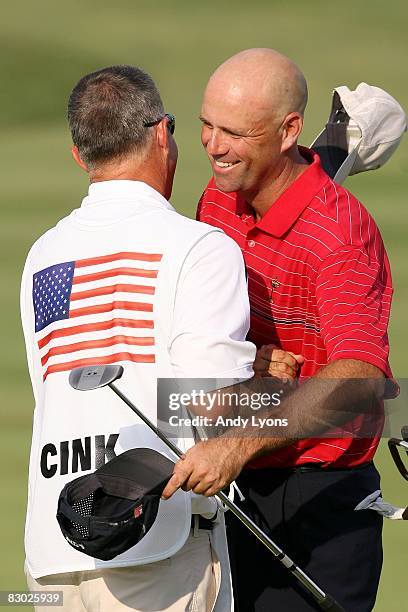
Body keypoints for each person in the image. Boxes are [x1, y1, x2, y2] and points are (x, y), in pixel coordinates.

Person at [20, 64, 261, 612]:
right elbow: (206, 410)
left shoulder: (43, 256)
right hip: (155, 543)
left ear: (79, 156)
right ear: (162, 133)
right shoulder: (200, 247)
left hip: (56, 549)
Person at [162, 49, 395, 611]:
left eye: (235, 133)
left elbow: (361, 379)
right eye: (207, 127)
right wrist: (248, 356)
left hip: (321, 498)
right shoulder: (217, 202)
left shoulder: (340, 234)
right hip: (238, 487)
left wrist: (238, 443)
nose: (214, 147)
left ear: (290, 130)